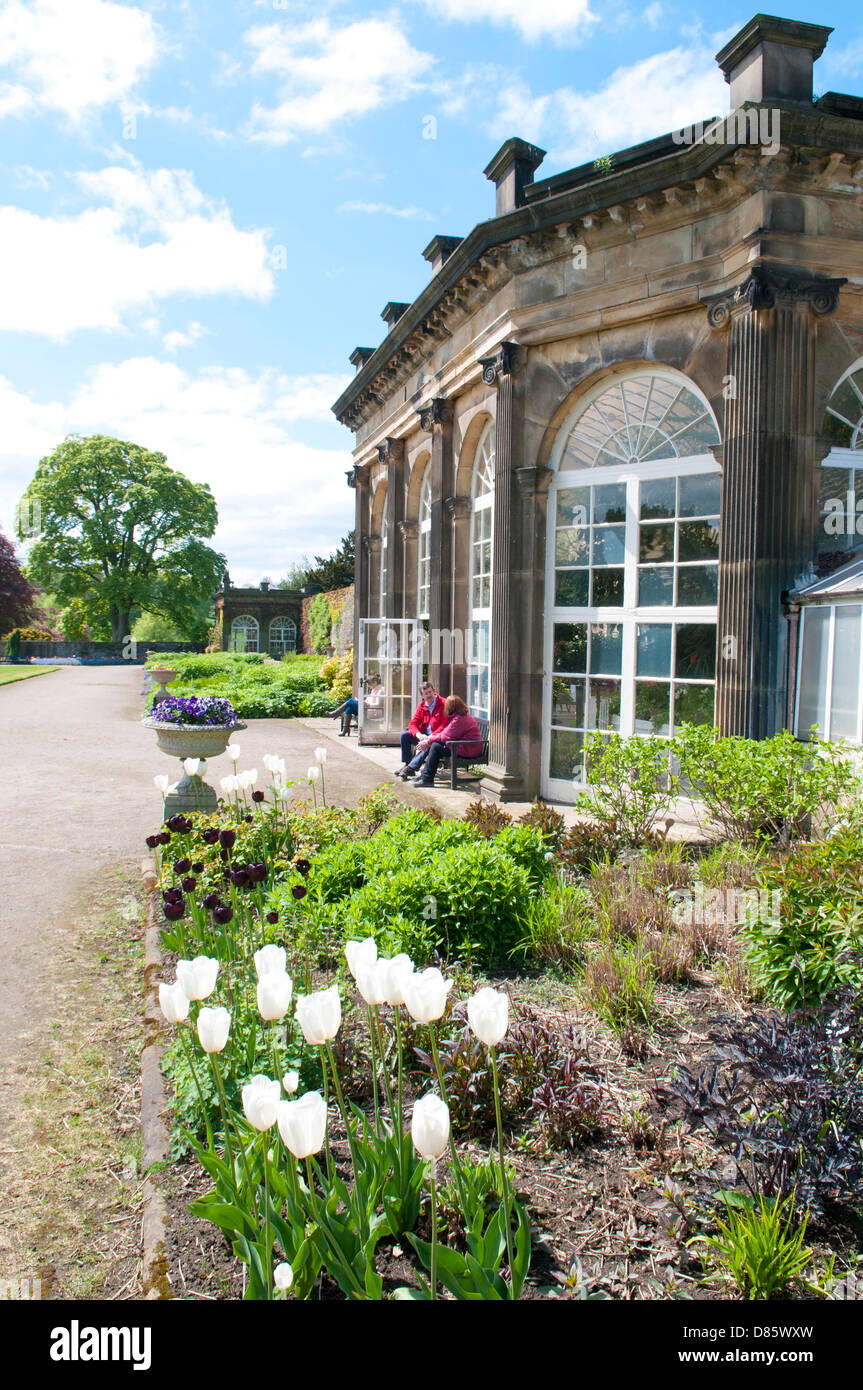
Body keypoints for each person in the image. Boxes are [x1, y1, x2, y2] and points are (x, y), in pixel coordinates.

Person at [405, 695, 484, 787]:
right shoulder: (459, 716)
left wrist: (428, 741)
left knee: (435, 746)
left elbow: (446, 735)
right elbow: (446, 733)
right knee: (435, 744)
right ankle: (425, 776)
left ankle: (427, 778)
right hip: (463, 746)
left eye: (447, 706)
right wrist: (429, 740)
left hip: (468, 748)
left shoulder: (459, 719)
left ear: (451, 707)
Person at [393, 680, 446, 779]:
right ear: (422, 695)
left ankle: (410, 768)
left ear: (434, 691)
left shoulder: (443, 703)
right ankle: (408, 764)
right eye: (426, 693)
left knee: (428, 744)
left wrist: (429, 738)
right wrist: (419, 735)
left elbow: (444, 726)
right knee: (404, 735)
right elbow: (413, 724)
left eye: (430, 692)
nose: (429, 695)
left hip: (438, 737)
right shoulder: (421, 706)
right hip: (424, 735)